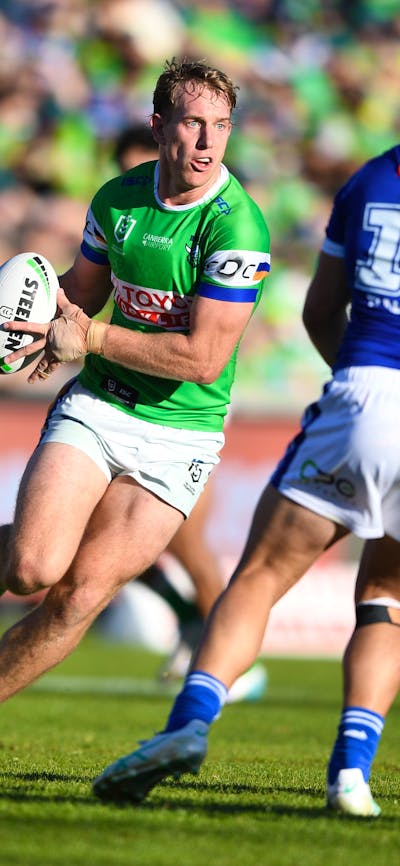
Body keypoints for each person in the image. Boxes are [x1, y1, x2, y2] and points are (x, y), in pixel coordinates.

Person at [92, 143, 400, 818]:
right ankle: (350, 775)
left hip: (367, 394)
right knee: (386, 598)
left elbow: (321, 312)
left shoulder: (371, 179)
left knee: (259, 576)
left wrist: (359, 387)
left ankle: (187, 725)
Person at [0, 58, 270, 719]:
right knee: (32, 569)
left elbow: (203, 359)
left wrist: (87, 338)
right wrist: (25, 315)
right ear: (159, 126)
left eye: (221, 127)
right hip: (99, 407)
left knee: (80, 594)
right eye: (193, 124)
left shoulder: (237, 227)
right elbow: (79, 295)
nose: (208, 143)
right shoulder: (117, 200)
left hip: (181, 435)